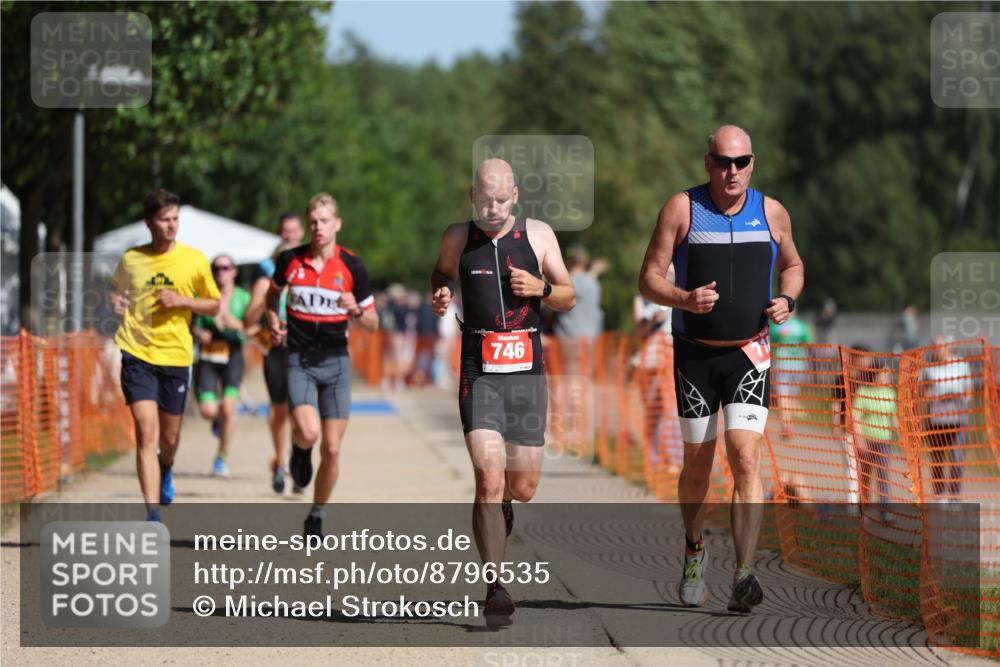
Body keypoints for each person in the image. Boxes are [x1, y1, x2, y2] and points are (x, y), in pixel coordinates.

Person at [638, 125, 804, 613]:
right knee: (697, 466)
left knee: (746, 458)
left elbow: (793, 265)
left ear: (753, 163)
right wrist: (683, 298)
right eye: (724, 162)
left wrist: (788, 299)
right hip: (696, 356)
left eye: (742, 161)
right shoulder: (682, 209)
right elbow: (648, 279)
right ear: (708, 163)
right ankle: (695, 551)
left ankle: (744, 573)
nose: (733, 171)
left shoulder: (772, 212)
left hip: (749, 355)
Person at [430, 158, 576, 626]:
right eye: (484, 199)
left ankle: (508, 503)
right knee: (489, 479)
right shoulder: (458, 236)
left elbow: (568, 295)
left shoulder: (539, 236)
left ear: (514, 196)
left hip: (527, 375)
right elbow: (441, 273)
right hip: (480, 373)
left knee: (522, 487)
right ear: (472, 196)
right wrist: (441, 292)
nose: (492, 208)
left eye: (500, 200)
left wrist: (541, 287)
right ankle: (494, 585)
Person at [266, 193, 378, 537]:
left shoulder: (353, 266)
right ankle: (300, 451)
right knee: (309, 433)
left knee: (331, 449)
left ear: (337, 224)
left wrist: (356, 310)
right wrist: (273, 319)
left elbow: (373, 322)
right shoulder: (290, 260)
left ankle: (317, 513)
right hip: (300, 360)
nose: (318, 227)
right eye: (313, 222)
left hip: (337, 364)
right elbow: (272, 293)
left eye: (325, 221)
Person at [111, 189, 220, 521]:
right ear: (149, 223)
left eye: (175, 219)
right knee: (147, 433)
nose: (172, 226)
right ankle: (152, 515)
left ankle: (167, 466)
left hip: (176, 356)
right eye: (164, 220)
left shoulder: (194, 260)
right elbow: (117, 292)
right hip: (137, 353)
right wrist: (116, 302)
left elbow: (214, 305)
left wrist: (183, 301)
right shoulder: (131, 259)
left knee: (169, 438)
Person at [245, 210, 305, 494]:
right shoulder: (265, 274)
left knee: (301, 411)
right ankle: (280, 463)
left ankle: (298, 459)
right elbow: (249, 318)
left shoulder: (308, 272)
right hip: (276, 349)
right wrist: (267, 295)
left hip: (303, 348)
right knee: (280, 409)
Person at [192, 254, 252, 477]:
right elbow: (192, 324)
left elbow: (252, 328)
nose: (221, 273)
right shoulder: (203, 295)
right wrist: (200, 333)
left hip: (233, 355)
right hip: (208, 355)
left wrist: (234, 324)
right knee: (208, 411)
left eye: (226, 268)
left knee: (228, 408)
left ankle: (222, 456)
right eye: (216, 268)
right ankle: (217, 420)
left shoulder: (244, 297)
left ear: (234, 271)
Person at [633, 263, 682, 474]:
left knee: (672, 411)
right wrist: (652, 321)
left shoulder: (682, 295)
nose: (668, 275)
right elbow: (638, 332)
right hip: (650, 362)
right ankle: (653, 460)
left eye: (671, 271)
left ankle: (673, 459)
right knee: (653, 412)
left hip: (671, 360)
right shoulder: (643, 299)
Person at [920, 336, 973, 499]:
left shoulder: (961, 365)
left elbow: (969, 391)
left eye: (942, 346)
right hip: (937, 421)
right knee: (937, 460)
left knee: (957, 460)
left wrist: (958, 396)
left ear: (949, 347)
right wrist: (937, 396)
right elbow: (923, 394)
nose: (939, 350)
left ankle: (954, 496)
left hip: (958, 420)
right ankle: (940, 495)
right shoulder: (929, 368)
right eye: (936, 347)